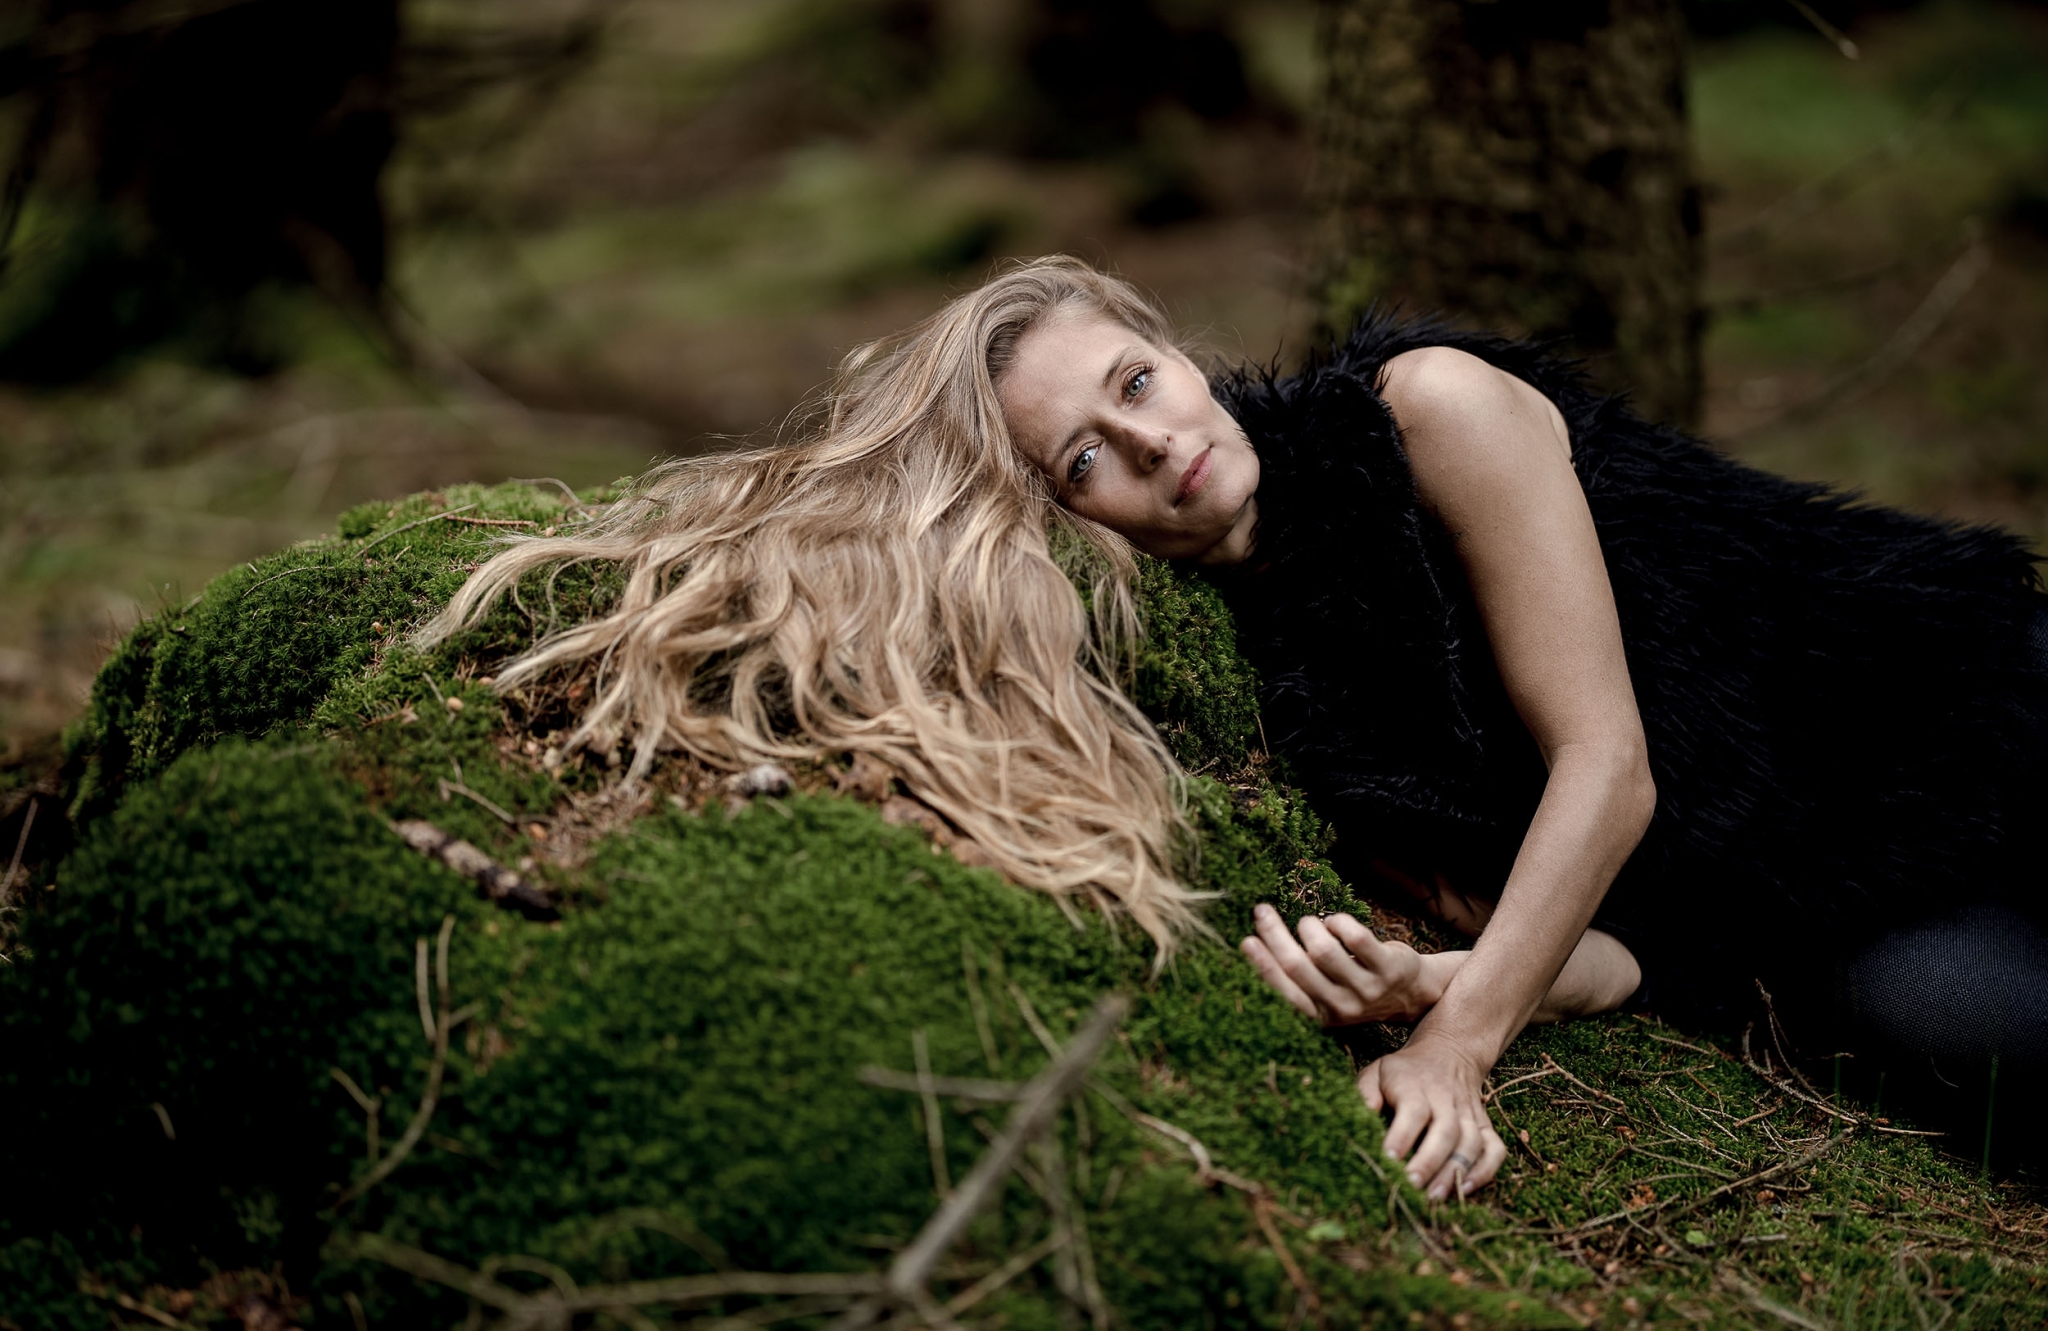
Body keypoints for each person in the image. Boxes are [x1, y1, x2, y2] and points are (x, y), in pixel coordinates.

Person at [433, 256, 2048, 1203]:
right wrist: (1443, 972)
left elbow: (1606, 774)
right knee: (1974, 1038)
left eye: (1140, 378)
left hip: (1966, 696)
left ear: (1175, 346)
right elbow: (1629, 950)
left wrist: (1457, 1038)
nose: (1155, 444)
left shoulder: (1425, 408)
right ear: (1058, 518)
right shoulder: (1297, 718)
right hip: (1829, 911)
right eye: (1085, 459)